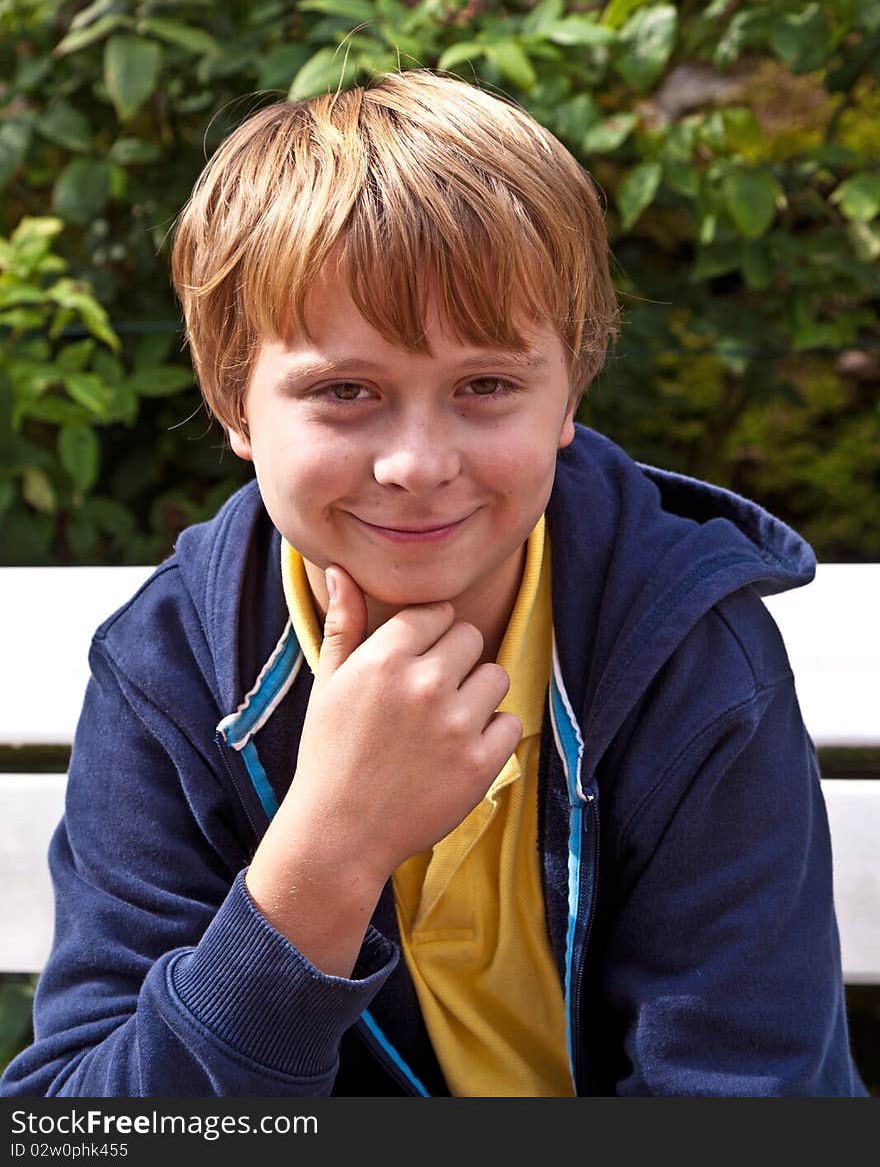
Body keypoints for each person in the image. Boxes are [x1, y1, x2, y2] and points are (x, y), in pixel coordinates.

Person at [0, 70, 866, 1097]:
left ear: (569, 390)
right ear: (234, 400)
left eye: (485, 385)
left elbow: (747, 1096)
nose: (417, 461)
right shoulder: (174, 671)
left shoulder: (682, 652)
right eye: (346, 390)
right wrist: (325, 854)